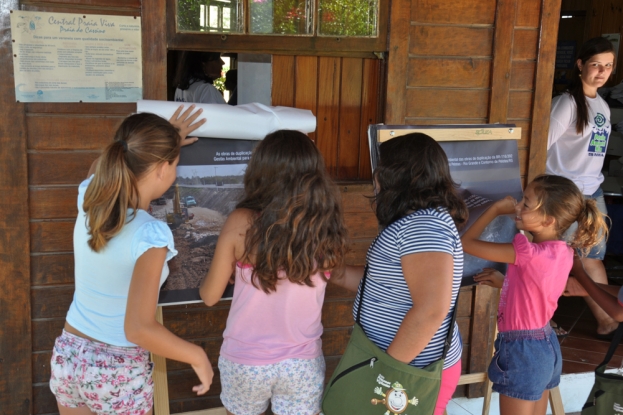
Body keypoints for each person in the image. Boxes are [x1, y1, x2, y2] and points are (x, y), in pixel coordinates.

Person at [49, 106, 214, 415]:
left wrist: (161, 143)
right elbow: (138, 328)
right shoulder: (150, 233)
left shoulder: (89, 197)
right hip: (116, 369)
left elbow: (104, 164)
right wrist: (197, 356)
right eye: (175, 163)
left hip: (70, 354)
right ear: (162, 169)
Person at [199, 130, 347, 415]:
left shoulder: (241, 222)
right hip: (302, 363)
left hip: (246, 362)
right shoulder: (324, 227)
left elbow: (209, 296)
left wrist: (233, 270)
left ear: (259, 172)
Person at [331, 133, 467, 415]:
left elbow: (431, 309)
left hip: (407, 371)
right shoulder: (418, 222)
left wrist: (385, 370)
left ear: (394, 176)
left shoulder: (424, 227)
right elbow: (388, 286)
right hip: (400, 365)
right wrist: (340, 274)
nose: (375, 178)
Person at [461, 174, 608, 415]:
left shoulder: (526, 252)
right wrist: (506, 282)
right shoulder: (563, 251)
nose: (517, 207)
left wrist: (495, 209)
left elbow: (465, 242)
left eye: (525, 204)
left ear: (548, 220)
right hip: (546, 345)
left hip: (522, 350)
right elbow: (543, 289)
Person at [547, 36, 617, 339]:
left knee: (593, 257)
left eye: (608, 66)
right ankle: (539, 319)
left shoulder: (602, 104)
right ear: (580, 65)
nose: (602, 72)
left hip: (593, 190)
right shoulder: (565, 105)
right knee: (556, 259)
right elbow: (541, 147)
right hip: (566, 193)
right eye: (595, 65)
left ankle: (608, 321)